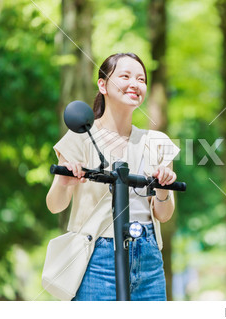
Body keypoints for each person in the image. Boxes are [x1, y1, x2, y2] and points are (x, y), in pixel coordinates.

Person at [46, 52, 180, 301]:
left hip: (147, 253)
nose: (135, 84)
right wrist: (64, 181)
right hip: (97, 254)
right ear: (102, 84)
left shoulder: (157, 142)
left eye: (141, 79)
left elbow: (164, 214)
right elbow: (55, 205)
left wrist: (163, 189)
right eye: (125, 76)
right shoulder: (80, 136)